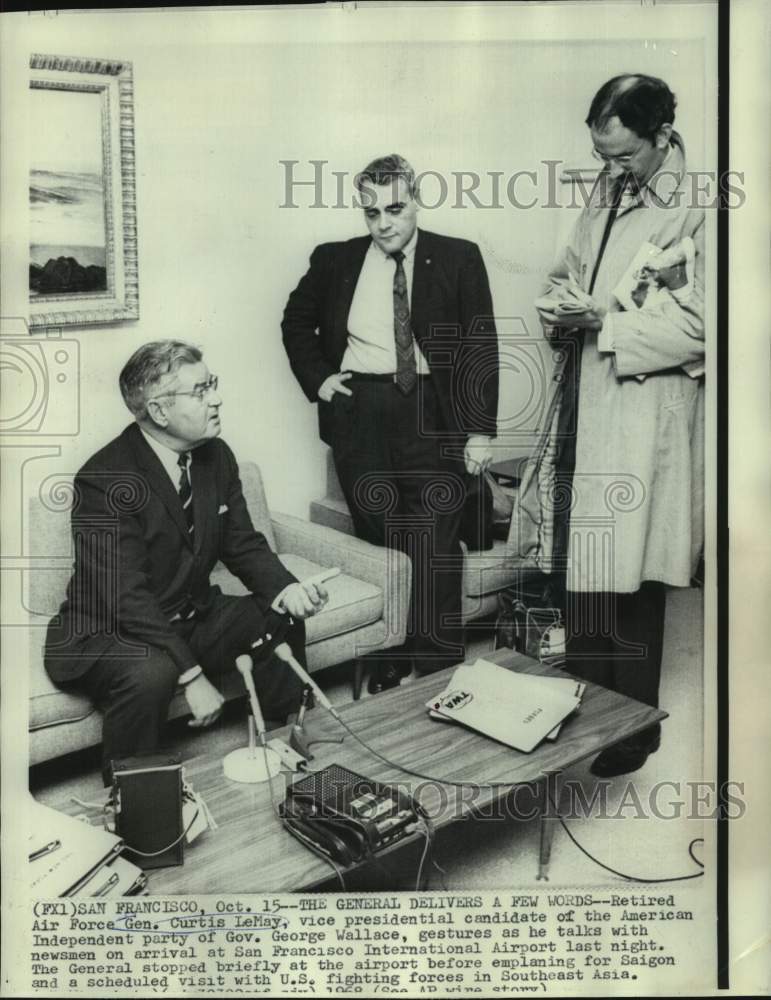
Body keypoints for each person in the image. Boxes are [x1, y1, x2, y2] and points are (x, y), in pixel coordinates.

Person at [517, 75, 704, 777]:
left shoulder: (698, 205)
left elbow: (701, 326)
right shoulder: (608, 186)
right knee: (582, 565)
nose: (608, 170)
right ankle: (588, 710)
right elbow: (570, 266)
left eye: (622, 156)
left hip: (637, 407)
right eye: (601, 156)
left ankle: (632, 731)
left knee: (628, 578)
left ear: (660, 138)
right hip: (583, 401)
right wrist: (558, 301)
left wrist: (603, 320)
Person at [44, 340, 327, 782]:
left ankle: (287, 746)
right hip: (110, 629)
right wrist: (191, 675)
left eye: (211, 384)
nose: (216, 398)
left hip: (189, 615)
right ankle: (135, 803)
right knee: (151, 673)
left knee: (278, 617)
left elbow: (242, 544)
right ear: (159, 411)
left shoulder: (216, 455)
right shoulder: (105, 480)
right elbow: (126, 599)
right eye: (200, 391)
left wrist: (288, 590)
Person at [282, 154, 498, 692]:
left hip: (432, 410)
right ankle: (393, 655)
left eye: (395, 208)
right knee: (382, 537)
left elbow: (479, 345)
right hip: (362, 412)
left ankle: (440, 671)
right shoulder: (335, 260)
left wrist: (479, 431)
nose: (384, 222)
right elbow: (295, 321)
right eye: (371, 211)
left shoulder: (457, 257)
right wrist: (320, 379)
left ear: (416, 201)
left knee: (435, 542)